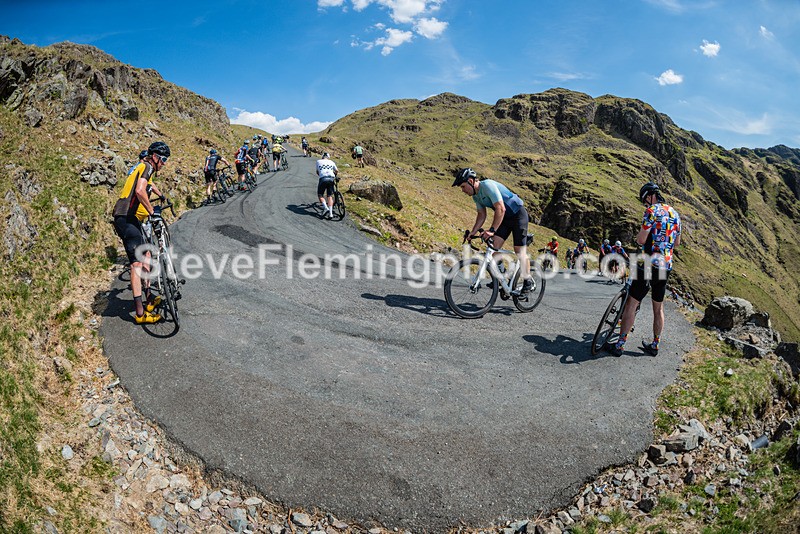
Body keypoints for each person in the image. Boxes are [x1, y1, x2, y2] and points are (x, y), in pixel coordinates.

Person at [607, 182, 681, 357]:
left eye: (644, 200)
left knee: (632, 304)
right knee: (658, 307)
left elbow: (641, 240)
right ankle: (655, 344)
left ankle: (620, 344)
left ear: (649, 196)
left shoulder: (651, 212)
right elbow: (676, 243)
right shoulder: (675, 214)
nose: (645, 204)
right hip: (665, 265)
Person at [112, 141, 171, 324]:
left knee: (145, 255)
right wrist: (152, 213)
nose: (164, 163)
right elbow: (139, 191)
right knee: (136, 264)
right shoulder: (147, 166)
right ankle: (140, 314)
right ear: (154, 157)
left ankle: (149, 298)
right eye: (163, 159)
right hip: (126, 217)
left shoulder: (141, 166)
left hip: (129, 218)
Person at [452, 167, 534, 295]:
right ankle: (501, 277)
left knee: (519, 250)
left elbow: (500, 208)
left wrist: (491, 230)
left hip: (518, 215)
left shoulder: (487, 185)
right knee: (494, 248)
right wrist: (473, 232)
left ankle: (528, 281)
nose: (462, 190)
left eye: (463, 186)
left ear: (470, 181)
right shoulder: (476, 196)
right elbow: (481, 215)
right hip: (505, 219)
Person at [316, 152, 338, 219]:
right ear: (328, 157)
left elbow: (317, 171)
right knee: (329, 195)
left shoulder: (318, 161)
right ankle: (331, 214)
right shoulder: (331, 162)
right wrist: (334, 174)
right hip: (331, 178)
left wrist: (321, 175)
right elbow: (336, 170)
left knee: (320, 194)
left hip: (323, 178)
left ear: (322, 157)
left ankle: (326, 208)